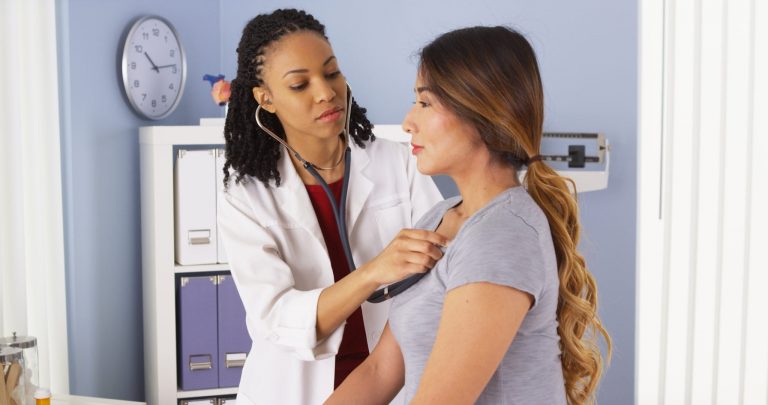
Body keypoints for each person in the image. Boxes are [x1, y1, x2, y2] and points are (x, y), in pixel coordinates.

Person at [327, 26, 612, 405]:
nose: (408, 122)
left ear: (480, 112)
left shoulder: (503, 233)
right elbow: (379, 372)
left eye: (425, 103)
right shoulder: (438, 218)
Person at [217, 9, 446, 405]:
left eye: (332, 72)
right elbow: (277, 317)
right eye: (299, 84)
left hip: (393, 380)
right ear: (265, 98)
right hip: (293, 389)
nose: (325, 92)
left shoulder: (400, 163)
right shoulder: (247, 194)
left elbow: (442, 271)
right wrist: (374, 273)